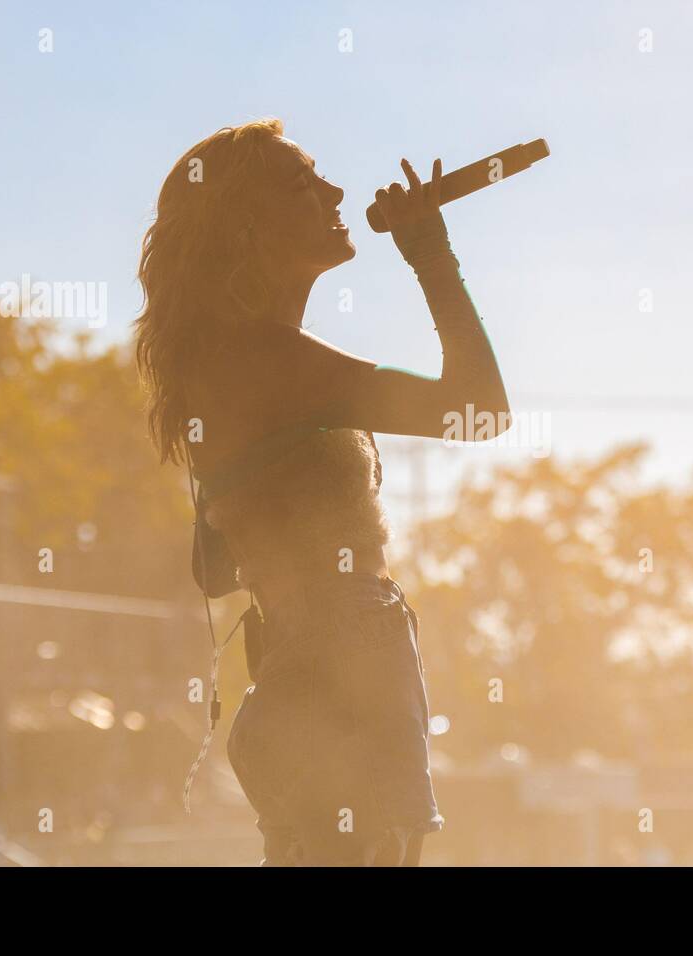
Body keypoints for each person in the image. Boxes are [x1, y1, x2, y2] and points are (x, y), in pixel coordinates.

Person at [133, 118, 511, 865]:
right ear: (249, 228)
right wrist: (431, 254)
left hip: (299, 683)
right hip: (343, 676)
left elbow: (211, 569)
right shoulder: (271, 362)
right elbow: (482, 409)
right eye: (304, 185)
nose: (337, 192)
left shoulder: (227, 365)